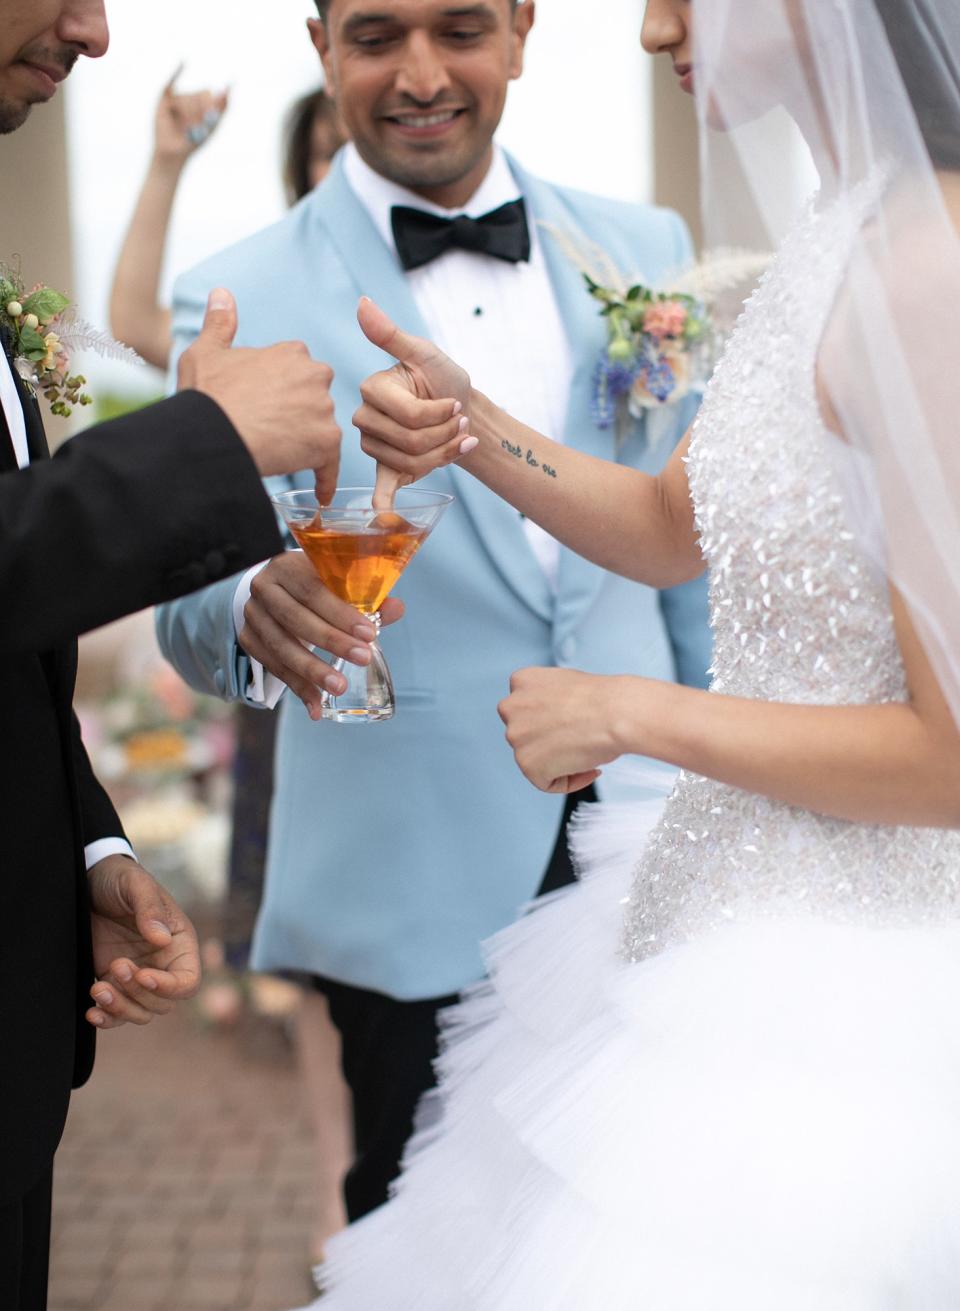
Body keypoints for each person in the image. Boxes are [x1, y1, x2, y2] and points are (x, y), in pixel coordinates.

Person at [293, 0, 960, 1304]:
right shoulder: (836, 235)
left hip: (858, 994)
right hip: (715, 925)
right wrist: (471, 421)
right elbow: (669, 526)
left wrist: (634, 713)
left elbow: (953, 752)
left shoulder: (931, 272)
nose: (658, 26)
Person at [154, 0, 712, 1279]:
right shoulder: (237, 289)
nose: (419, 76)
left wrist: (741, 774)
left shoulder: (645, 247)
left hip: (657, 838)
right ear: (318, 46)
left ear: (522, 31)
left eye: (460, 29)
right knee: (425, 1243)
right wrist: (256, 606)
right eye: (375, 36)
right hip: (407, 871)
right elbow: (189, 601)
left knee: (648, 1230)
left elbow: (701, 559)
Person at [0, 4, 369, 1307]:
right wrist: (215, 436)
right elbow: (131, 333)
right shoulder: (249, 294)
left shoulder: (626, 255)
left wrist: (83, 844)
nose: (97, 28)